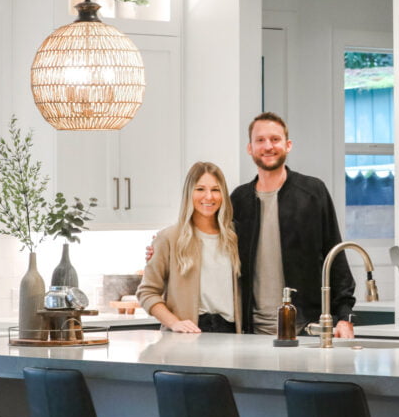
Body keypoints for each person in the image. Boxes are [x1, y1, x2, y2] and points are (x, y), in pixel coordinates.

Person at [231, 112, 355, 337]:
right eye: (260, 140)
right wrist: (161, 250)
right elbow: (212, 248)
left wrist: (344, 317)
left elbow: (334, 254)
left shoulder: (312, 192)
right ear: (250, 148)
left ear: (288, 145)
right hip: (251, 332)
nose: (268, 146)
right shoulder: (238, 200)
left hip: (306, 329)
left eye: (275, 139)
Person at [137, 162, 241, 333]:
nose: (209, 197)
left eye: (215, 190)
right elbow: (147, 292)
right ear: (189, 193)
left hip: (230, 333)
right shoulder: (169, 237)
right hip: (187, 333)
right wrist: (174, 323)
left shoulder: (235, 237)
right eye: (200, 189)